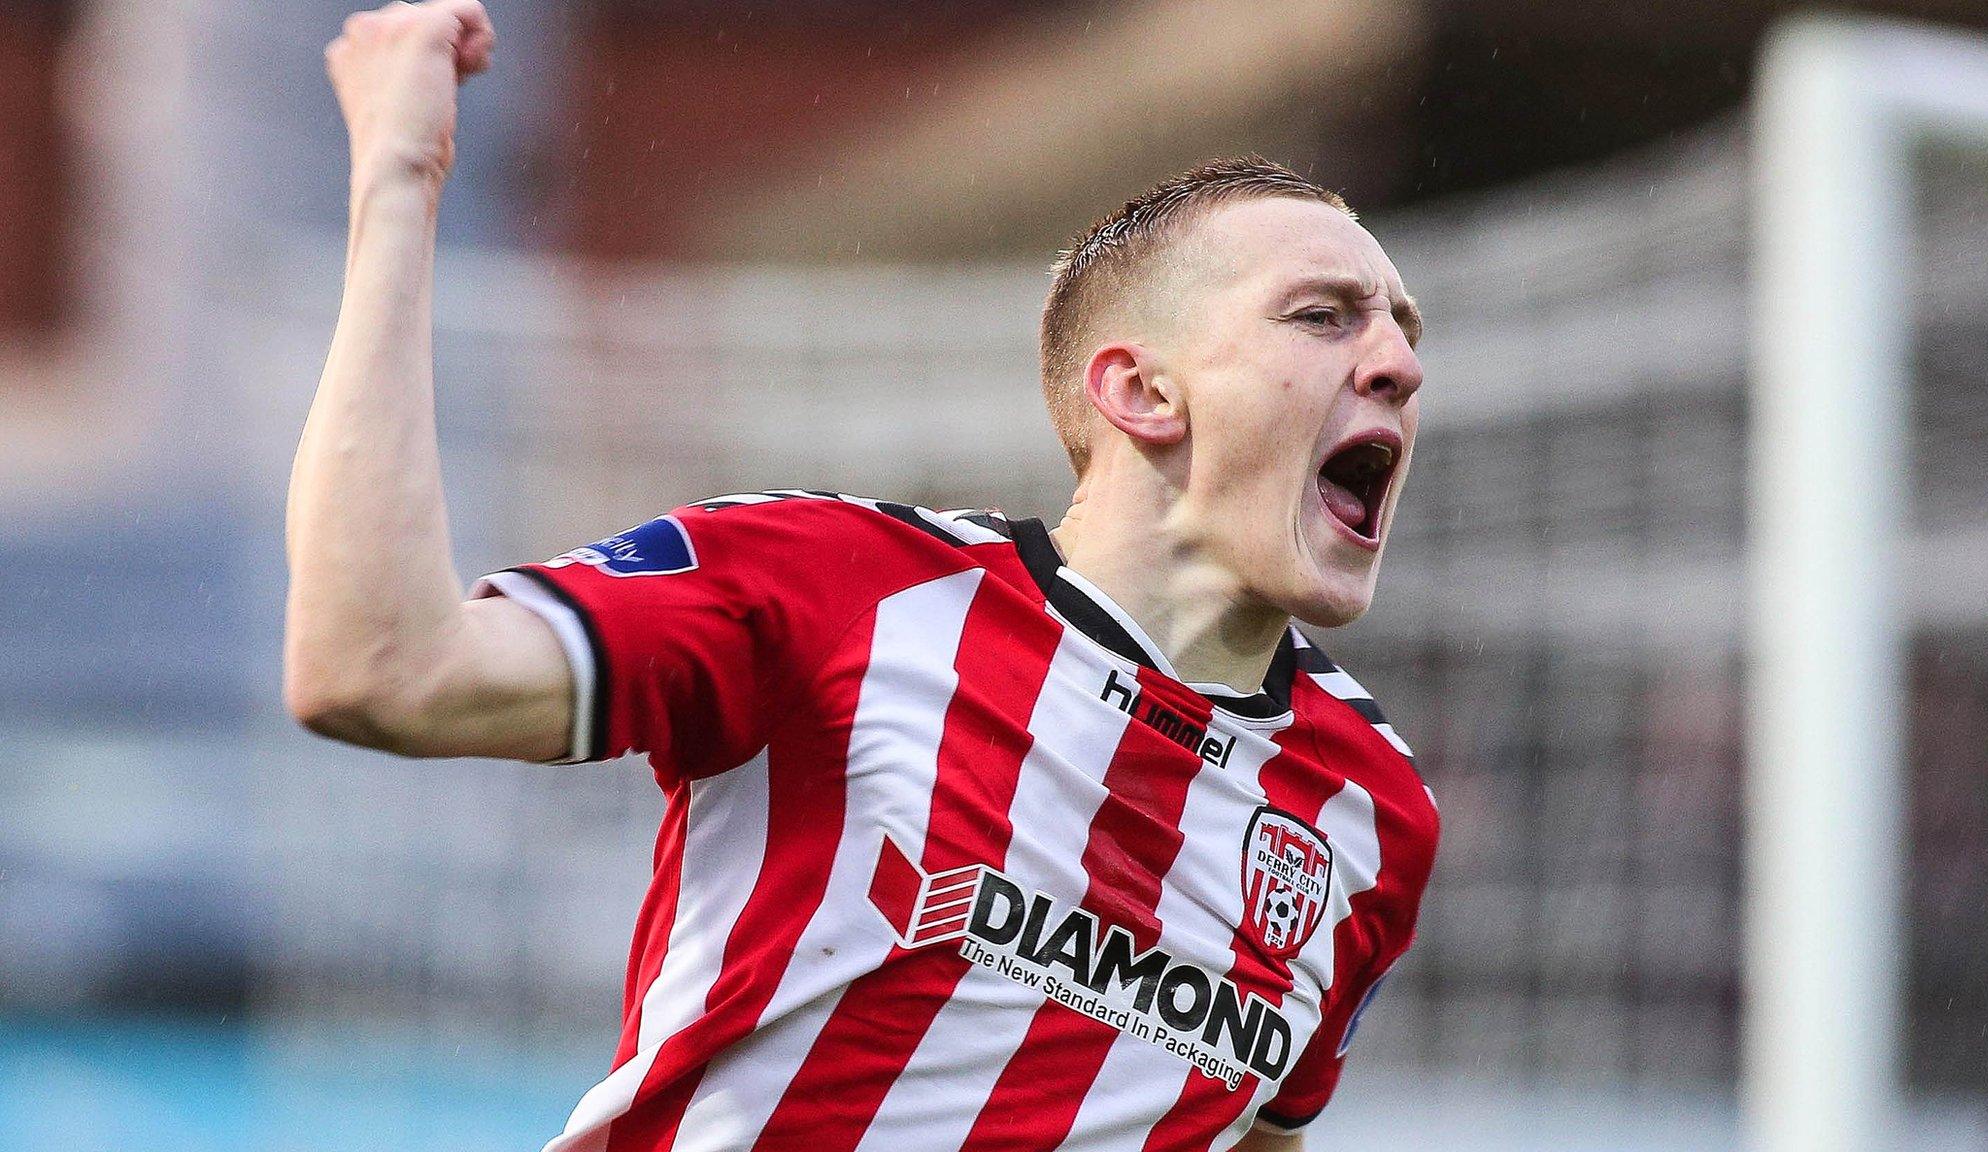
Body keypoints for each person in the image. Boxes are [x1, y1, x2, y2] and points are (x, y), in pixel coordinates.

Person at [289, 1, 1440, 1149]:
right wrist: (398, 183)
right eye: (1320, 318)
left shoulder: (1374, 813)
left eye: (1400, 331)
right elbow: (379, 671)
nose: (1393, 362)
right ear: (1139, 393)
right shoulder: (834, 585)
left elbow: (1257, 1134)